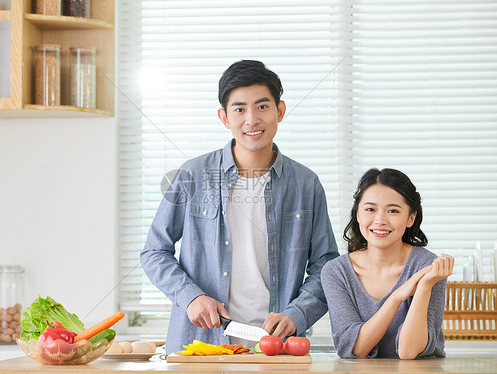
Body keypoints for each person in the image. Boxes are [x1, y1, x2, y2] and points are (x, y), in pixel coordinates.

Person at [140, 60, 339, 354]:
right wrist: (190, 297)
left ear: (279, 111)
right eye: (239, 109)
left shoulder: (306, 184)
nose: (251, 120)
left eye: (262, 107)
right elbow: (154, 252)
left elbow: (327, 265)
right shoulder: (192, 175)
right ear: (224, 117)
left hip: (275, 348)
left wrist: (298, 314)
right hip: (201, 346)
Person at [321, 168, 454, 359]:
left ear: (411, 218)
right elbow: (356, 348)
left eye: (392, 210)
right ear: (357, 214)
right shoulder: (336, 272)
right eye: (370, 209)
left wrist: (424, 286)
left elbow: (409, 351)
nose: (380, 220)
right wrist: (396, 298)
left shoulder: (428, 267)